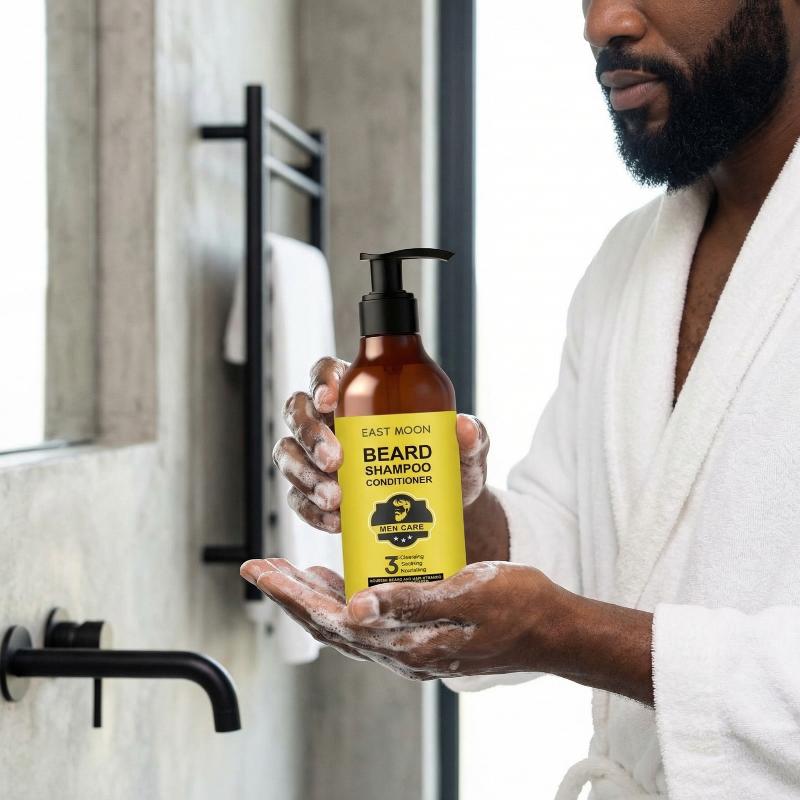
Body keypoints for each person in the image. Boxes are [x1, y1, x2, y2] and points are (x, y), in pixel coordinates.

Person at [241, 1, 800, 796]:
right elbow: (588, 551)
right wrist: (444, 509)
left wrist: (561, 633)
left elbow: (572, 614)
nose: (602, 23)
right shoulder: (629, 263)